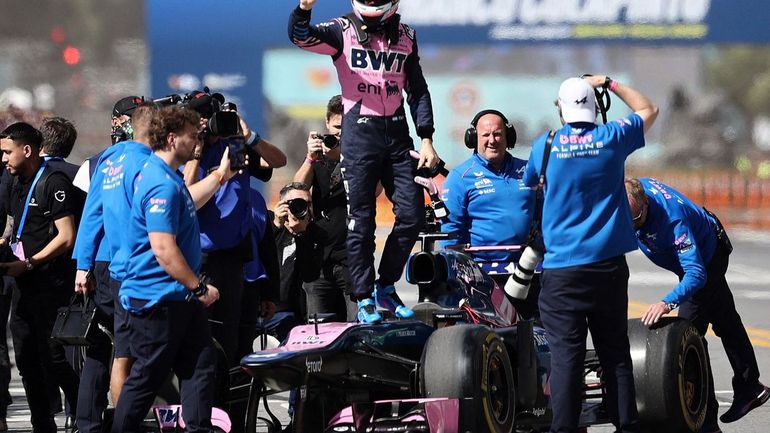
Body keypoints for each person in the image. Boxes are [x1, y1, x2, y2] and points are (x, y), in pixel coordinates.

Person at [522, 75, 659, 433]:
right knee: (615, 354)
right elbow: (649, 108)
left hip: (562, 270)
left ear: (561, 109)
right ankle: (626, 427)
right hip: (607, 266)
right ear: (595, 108)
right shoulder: (611, 137)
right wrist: (609, 83)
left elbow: (529, 185)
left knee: (566, 359)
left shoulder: (545, 145)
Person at [289, 0, 439, 323]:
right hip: (359, 136)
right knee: (361, 219)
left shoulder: (407, 36)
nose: (370, 2)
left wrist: (426, 137)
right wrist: (303, 8)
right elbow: (300, 36)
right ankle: (364, 295)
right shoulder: (342, 30)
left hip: (398, 136)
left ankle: (385, 285)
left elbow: (417, 90)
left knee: (413, 215)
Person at [626, 177, 769, 433]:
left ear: (646, 202)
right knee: (725, 320)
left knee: (687, 336)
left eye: (635, 219)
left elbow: (696, 274)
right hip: (694, 257)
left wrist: (667, 302)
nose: (631, 225)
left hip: (707, 257)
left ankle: (707, 421)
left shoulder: (673, 221)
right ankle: (749, 387)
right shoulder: (626, 192)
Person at [111, 106, 220, 433]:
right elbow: (163, 249)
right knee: (148, 376)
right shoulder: (160, 182)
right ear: (172, 139)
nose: (197, 142)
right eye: (192, 135)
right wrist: (199, 287)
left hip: (179, 297)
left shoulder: (171, 177)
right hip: (157, 298)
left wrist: (220, 175)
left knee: (201, 365)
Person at [181, 89, 287, 366]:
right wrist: (197, 150)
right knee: (201, 337)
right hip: (200, 256)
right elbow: (185, 196)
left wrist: (250, 138)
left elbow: (278, 161)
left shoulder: (235, 147)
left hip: (233, 258)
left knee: (230, 340)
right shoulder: (185, 150)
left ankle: (229, 390)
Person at [0, 122, 81, 433]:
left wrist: (30, 263)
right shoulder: (15, 182)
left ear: (27, 150)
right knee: (26, 358)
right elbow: (16, 225)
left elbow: (66, 236)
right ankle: (42, 423)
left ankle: (85, 412)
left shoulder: (53, 181)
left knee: (54, 357)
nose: (4, 159)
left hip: (50, 284)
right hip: (23, 284)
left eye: (8, 152)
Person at [440, 109, 539, 318]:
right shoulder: (460, 177)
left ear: (508, 137)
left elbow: (546, 215)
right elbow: (450, 234)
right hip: (483, 275)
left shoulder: (529, 170)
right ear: (473, 138)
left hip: (529, 269)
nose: (492, 140)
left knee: (536, 330)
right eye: (486, 135)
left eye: (498, 134)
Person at [293, 95, 356, 322]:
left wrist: (346, 156)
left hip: (353, 257)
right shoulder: (318, 156)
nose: (340, 134)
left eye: (346, 128)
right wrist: (310, 158)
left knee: (358, 327)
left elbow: (374, 191)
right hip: (319, 258)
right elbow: (296, 191)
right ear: (327, 123)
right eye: (337, 127)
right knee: (317, 331)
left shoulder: (361, 155)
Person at [264, 182, 322, 340]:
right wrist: (276, 226)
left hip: (287, 312)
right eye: (297, 203)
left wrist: (301, 234)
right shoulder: (267, 222)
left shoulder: (315, 233)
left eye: (308, 203)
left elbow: (310, 274)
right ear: (282, 204)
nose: (304, 208)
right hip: (258, 305)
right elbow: (260, 257)